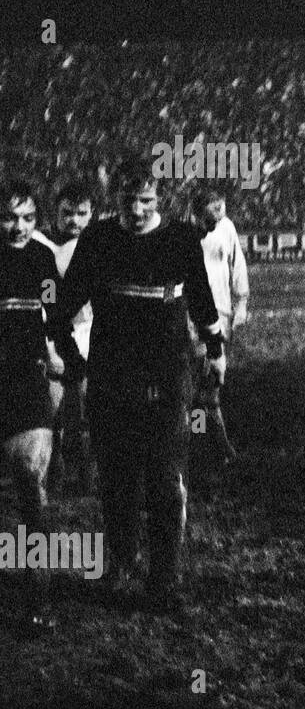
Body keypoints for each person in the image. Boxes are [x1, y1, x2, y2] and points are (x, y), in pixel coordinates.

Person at [50, 158, 225, 615]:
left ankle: (164, 582)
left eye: (146, 201)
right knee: (117, 476)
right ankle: (122, 566)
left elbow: (202, 296)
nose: (137, 210)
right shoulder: (100, 239)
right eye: (128, 200)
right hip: (111, 376)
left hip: (168, 375)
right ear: (117, 199)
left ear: (159, 200)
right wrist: (68, 351)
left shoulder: (180, 239)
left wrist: (216, 346)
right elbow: (66, 302)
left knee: (166, 479)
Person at [0, 177, 63, 632]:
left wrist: (72, 361)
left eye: (26, 218)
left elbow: (56, 316)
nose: (17, 227)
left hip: (25, 383)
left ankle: (38, 595)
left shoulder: (43, 259)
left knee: (29, 484)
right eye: (8, 217)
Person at [34, 179, 97, 493]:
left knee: (85, 407)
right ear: (55, 213)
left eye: (81, 213)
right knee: (52, 408)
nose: (74, 220)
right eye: (67, 213)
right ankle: (53, 475)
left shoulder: (100, 246)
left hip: (88, 332)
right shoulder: (41, 247)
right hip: (53, 333)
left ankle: (87, 476)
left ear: (91, 214)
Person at [190, 188, 249, 469]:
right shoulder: (184, 232)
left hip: (221, 311)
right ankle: (212, 445)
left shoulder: (226, 228)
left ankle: (207, 444)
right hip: (193, 314)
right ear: (197, 211)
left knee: (211, 382)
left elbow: (237, 264)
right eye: (213, 214)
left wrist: (242, 301)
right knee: (199, 383)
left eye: (222, 211)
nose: (219, 219)